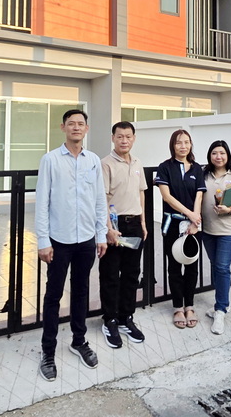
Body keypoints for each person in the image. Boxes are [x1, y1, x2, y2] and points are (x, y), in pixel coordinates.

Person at [34, 109, 108, 381]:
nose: (76, 127)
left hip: (86, 239)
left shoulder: (93, 161)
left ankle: (79, 341)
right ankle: (48, 351)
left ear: (86, 129)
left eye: (81, 124)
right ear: (63, 127)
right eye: (71, 123)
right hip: (59, 240)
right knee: (53, 295)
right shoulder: (50, 160)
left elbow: (99, 200)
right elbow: (42, 202)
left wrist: (101, 235)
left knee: (81, 291)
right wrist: (43, 241)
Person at [98, 121, 149, 348]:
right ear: (113, 138)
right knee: (110, 274)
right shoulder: (105, 164)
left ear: (134, 138)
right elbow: (101, 198)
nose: (124, 140)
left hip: (134, 225)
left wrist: (143, 222)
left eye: (128, 136)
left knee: (131, 273)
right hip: (115, 226)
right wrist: (108, 229)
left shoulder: (137, 162)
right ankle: (109, 319)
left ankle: (126, 317)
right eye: (120, 136)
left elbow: (141, 193)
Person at [155, 129, 206, 329]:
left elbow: (200, 195)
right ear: (173, 145)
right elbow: (167, 197)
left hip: (194, 225)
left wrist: (195, 220)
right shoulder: (165, 167)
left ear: (191, 144)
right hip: (173, 223)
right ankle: (178, 307)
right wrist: (190, 214)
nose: (183, 146)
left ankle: (189, 306)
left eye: (186, 142)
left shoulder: (197, 168)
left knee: (192, 265)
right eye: (178, 142)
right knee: (174, 266)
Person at [201, 140, 231, 335]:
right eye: (214, 153)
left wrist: (229, 209)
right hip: (207, 229)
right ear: (210, 156)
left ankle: (220, 309)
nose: (218, 157)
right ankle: (223, 303)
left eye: (222, 153)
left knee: (222, 267)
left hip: (228, 230)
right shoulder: (203, 175)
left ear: (227, 155)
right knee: (216, 266)